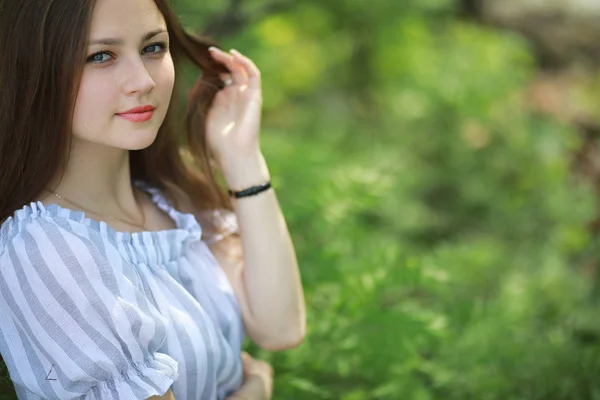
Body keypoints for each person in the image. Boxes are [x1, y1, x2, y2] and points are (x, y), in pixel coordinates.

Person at [0, 0, 306, 398]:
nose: (142, 80)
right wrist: (256, 392)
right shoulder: (45, 247)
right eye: (101, 56)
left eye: (152, 48)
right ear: (35, 71)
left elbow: (281, 328)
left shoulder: (174, 205)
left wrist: (241, 156)